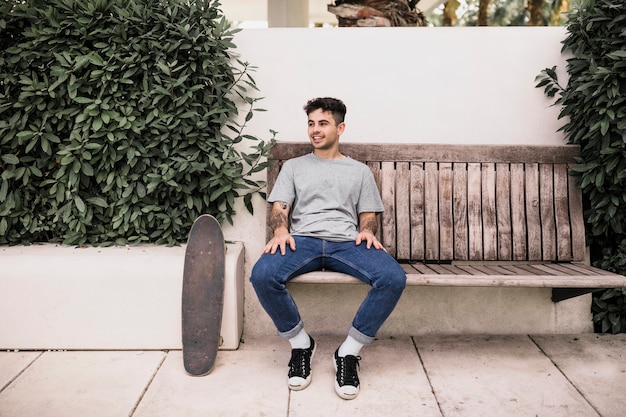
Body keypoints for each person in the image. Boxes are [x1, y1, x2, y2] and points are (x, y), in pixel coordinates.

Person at [250, 97, 406, 400]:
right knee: (262, 275)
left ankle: (348, 353)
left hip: (348, 244)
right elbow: (279, 209)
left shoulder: (358, 171)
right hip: (302, 241)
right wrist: (280, 229)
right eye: (311, 123)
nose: (315, 130)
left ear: (340, 127)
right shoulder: (294, 167)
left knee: (393, 278)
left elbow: (369, 216)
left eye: (322, 123)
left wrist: (366, 232)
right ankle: (300, 345)